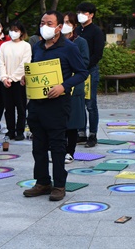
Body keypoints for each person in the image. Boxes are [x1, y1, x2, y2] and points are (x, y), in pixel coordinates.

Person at [22, 11, 88, 201]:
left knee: (58, 146)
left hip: (58, 103)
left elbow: (82, 72)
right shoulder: (37, 47)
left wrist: (63, 86)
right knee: (38, 145)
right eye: (42, 22)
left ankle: (59, 184)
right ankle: (42, 182)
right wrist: (27, 79)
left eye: (49, 23)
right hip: (36, 103)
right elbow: (35, 69)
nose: (45, 26)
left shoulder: (69, 47)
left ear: (59, 27)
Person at [61, 12, 90, 164]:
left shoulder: (80, 42)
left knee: (72, 120)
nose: (65, 24)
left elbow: (85, 62)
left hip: (73, 84)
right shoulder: (56, 42)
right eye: (63, 22)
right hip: (57, 85)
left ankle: (70, 151)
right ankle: (59, 149)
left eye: (68, 22)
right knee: (59, 119)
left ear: (74, 26)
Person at [75, 2, 105, 148]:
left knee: (90, 104)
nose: (80, 14)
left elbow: (98, 53)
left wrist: (85, 66)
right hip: (77, 71)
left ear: (91, 15)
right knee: (79, 102)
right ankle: (81, 133)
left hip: (90, 70)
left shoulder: (96, 31)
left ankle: (92, 134)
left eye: (84, 12)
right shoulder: (76, 31)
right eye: (79, 11)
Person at [0, 20, 31, 141]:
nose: (13, 32)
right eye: (11, 30)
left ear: (21, 32)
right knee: (9, 108)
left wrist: (11, 78)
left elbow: (24, 64)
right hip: (5, 82)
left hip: (19, 82)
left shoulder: (26, 46)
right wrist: (4, 78)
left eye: (16, 30)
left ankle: (20, 130)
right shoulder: (4, 45)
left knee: (21, 108)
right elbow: (1, 63)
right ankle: (10, 131)